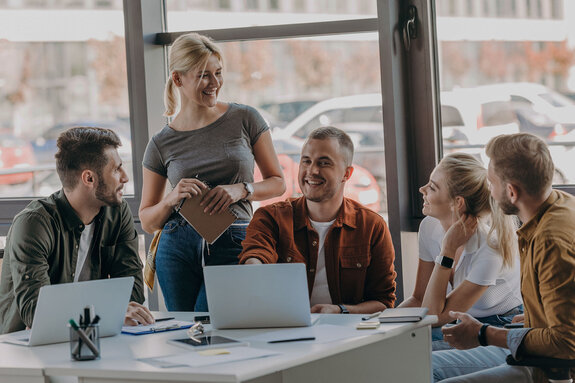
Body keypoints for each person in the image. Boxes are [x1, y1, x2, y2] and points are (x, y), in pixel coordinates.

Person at [139, 33, 285, 312]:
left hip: (233, 240)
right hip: (176, 246)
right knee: (184, 335)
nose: (215, 83)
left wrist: (242, 189)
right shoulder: (160, 143)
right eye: (204, 75)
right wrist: (171, 199)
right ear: (178, 79)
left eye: (218, 73)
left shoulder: (246, 118)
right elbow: (147, 220)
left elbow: (278, 183)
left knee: (219, 325)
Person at [433, 133, 575, 383]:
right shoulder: (561, 206)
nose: (489, 190)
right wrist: (533, 319)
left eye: (491, 183)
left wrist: (483, 334)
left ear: (511, 192)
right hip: (537, 349)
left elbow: (566, 342)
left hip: (553, 368)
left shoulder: (550, 240)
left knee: (433, 374)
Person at [0, 127, 153, 335]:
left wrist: (93, 312)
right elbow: (36, 313)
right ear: (89, 178)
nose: (125, 177)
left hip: (94, 336)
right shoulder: (33, 224)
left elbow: (132, 288)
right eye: (116, 169)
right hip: (27, 348)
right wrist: (107, 310)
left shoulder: (117, 212)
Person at [239, 126, 396, 314]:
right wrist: (254, 271)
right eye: (306, 161)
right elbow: (256, 255)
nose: (312, 170)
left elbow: (384, 302)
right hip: (285, 332)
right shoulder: (270, 218)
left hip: (347, 334)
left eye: (324, 163)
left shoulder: (372, 226)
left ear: (346, 174)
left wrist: (340, 310)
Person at [398, 153, 522, 349]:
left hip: (496, 327)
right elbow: (419, 299)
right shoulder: (429, 226)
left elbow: (432, 315)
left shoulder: (490, 247)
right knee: (389, 346)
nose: (422, 189)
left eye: (432, 187)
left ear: (457, 203)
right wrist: (377, 325)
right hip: (457, 321)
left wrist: (447, 250)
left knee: (411, 353)